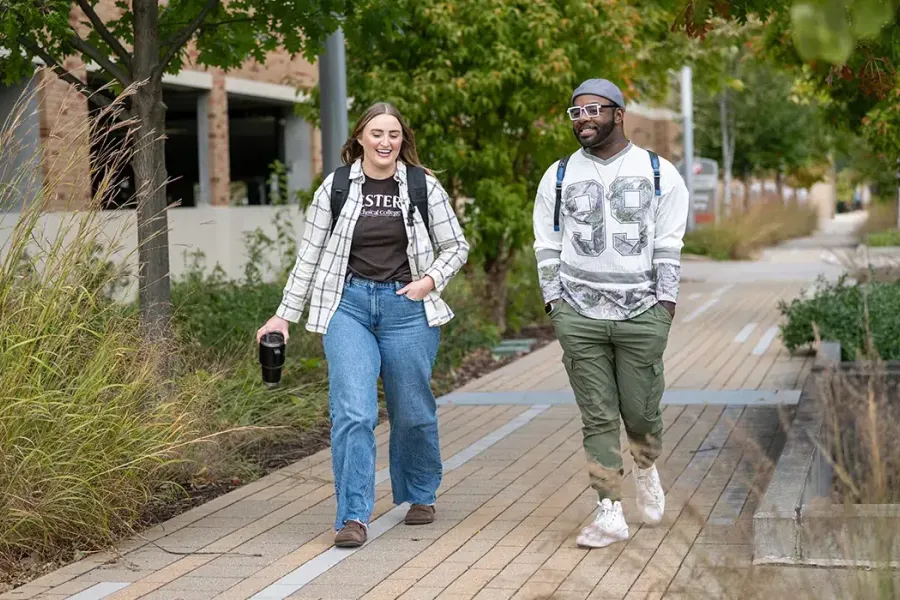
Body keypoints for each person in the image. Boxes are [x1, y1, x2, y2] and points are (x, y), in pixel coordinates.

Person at [257, 102, 469, 548]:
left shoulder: (421, 185)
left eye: (393, 134)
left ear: (402, 140)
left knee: (411, 411)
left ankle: (417, 493)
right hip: (347, 306)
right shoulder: (335, 187)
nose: (385, 142)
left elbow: (456, 246)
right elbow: (309, 256)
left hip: (406, 306)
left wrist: (429, 280)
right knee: (354, 411)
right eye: (376, 133)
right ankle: (352, 516)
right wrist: (284, 314)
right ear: (359, 138)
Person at [532, 79, 689, 548]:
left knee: (640, 414)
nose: (583, 120)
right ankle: (609, 510)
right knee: (597, 415)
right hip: (578, 314)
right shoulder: (558, 176)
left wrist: (665, 305)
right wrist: (555, 304)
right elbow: (547, 244)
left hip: (642, 312)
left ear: (619, 114)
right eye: (575, 113)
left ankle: (646, 465)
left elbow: (668, 245)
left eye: (593, 111)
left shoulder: (660, 172)